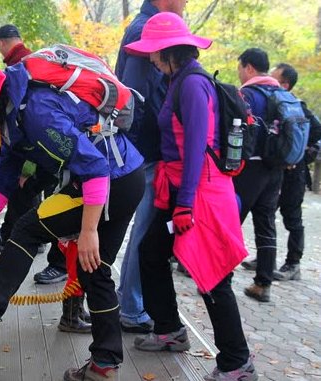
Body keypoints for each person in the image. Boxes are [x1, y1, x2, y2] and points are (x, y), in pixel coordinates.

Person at [0, 61, 145, 381]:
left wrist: (87, 230)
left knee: (28, 228)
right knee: (94, 271)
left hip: (109, 182)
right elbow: (3, 180)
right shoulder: (14, 120)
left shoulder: (37, 113)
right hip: (127, 177)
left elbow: (96, 167)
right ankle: (104, 365)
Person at [125, 13, 258, 381]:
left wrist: (184, 204)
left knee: (213, 276)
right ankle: (169, 329)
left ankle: (237, 362)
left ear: (169, 52)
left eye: (153, 52)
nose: (149, 58)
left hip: (201, 193)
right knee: (150, 252)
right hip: (182, 189)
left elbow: (197, 146)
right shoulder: (176, 79)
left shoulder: (193, 85)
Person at [114, 0, 186, 334]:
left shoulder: (146, 25)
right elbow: (135, 98)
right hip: (144, 152)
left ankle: (129, 303)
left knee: (140, 230)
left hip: (141, 151)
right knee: (143, 231)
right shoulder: (146, 30)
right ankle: (130, 306)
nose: (186, 4)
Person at [0, 24, 69, 287]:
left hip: (63, 154)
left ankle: (60, 264)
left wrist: (27, 171)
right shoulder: (29, 60)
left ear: (2, 43)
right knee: (49, 199)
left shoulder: (20, 68)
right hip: (53, 155)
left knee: (60, 199)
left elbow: (29, 129)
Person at [242, 63, 321, 281]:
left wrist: (304, 156)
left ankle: (293, 263)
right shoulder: (282, 104)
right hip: (277, 170)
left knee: (291, 216)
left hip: (290, 172)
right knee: (266, 218)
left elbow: (317, 133)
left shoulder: (294, 106)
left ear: (285, 84)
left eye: (275, 78)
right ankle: (264, 264)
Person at [234, 48, 284, 303]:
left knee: (231, 221)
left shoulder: (249, 94)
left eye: (240, 67)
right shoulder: (283, 93)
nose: (239, 72)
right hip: (276, 169)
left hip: (250, 169)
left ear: (249, 68)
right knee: (266, 225)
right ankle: (263, 283)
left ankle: (218, 279)